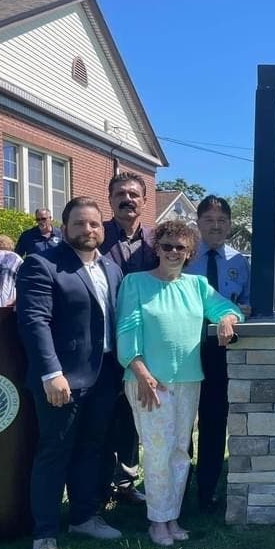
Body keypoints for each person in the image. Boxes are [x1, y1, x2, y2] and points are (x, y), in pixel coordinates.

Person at [116, 220, 242, 546]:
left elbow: (225, 307)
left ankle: (171, 518)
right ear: (156, 249)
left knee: (178, 453)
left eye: (180, 248)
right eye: (167, 246)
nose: (173, 252)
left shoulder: (197, 285)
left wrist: (227, 319)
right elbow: (127, 331)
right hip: (148, 381)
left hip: (189, 380)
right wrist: (141, 372)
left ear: (189, 254)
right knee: (157, 452)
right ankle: (157, 522)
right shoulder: (135, 283)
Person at [16, 197, 124, 549]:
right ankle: (44, 536)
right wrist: (51, 372)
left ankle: (83, 518)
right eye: (79, 224)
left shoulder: (110, 268)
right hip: (61, 380)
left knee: (92, 451)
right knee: (54, 454)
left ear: (102, 228)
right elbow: (34, 322)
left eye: (94, 224)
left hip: (105, 377)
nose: (88, 230)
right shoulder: (42, 265)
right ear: (65, 228)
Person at [184, 195, 251, 512]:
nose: (215, 226)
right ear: (197, 224)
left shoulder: (240, 262)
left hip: (221, 350)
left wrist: (238, 313)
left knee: (213, 419)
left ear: (230, 225)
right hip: (184, 348)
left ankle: (207, 489)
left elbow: (249, 304)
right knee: (182, 421)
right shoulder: (184, 256)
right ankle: (179, 486)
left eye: (221, 221)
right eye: (209, 220)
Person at [100, 171, 157, 506]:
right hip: (104, 342)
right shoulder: (97, 236)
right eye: (120, 193)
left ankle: (126, 481)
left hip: (146, 345)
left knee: (135, 416)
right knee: (106, 414)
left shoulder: (156, 242)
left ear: (144, 201)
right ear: (110, 200)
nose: (127, 199)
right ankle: (102, 484)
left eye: (134, 194)